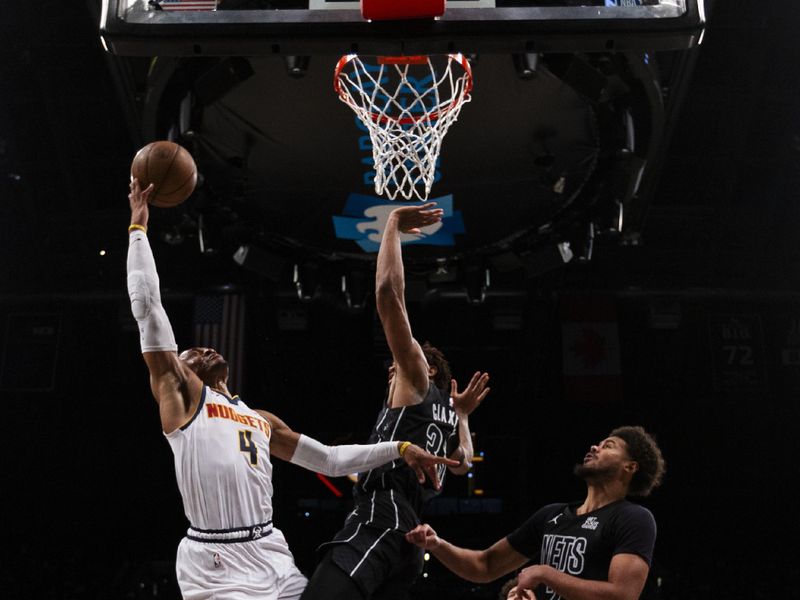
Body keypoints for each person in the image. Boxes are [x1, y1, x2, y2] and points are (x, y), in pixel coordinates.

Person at [126, 179, 458, 600]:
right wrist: (139, 229)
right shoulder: (184, 398)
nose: (205, 349)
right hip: (215, 560)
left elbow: (331, 461)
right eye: (193, 353)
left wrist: (401, 449)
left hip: (270, 550)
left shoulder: (261, 421)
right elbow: (148, 306)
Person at [301, 203, 490, 600]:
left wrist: (392, 225)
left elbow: (389, 295)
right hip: (410, 536)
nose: (393, 369)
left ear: (429, 370)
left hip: (381, 514)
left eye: (397, 366)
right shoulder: (447, 415)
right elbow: (462, 466)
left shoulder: (418, 378)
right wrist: (463, 417)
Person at [407, 426, 666, 600]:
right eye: (598, 443)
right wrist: (437, 544)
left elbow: (623, 594)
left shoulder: (634, 518)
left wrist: (545, 574)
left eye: (608, 446)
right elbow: (484, 565)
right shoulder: (551, 516)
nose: (595, 447)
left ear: (630, 467)